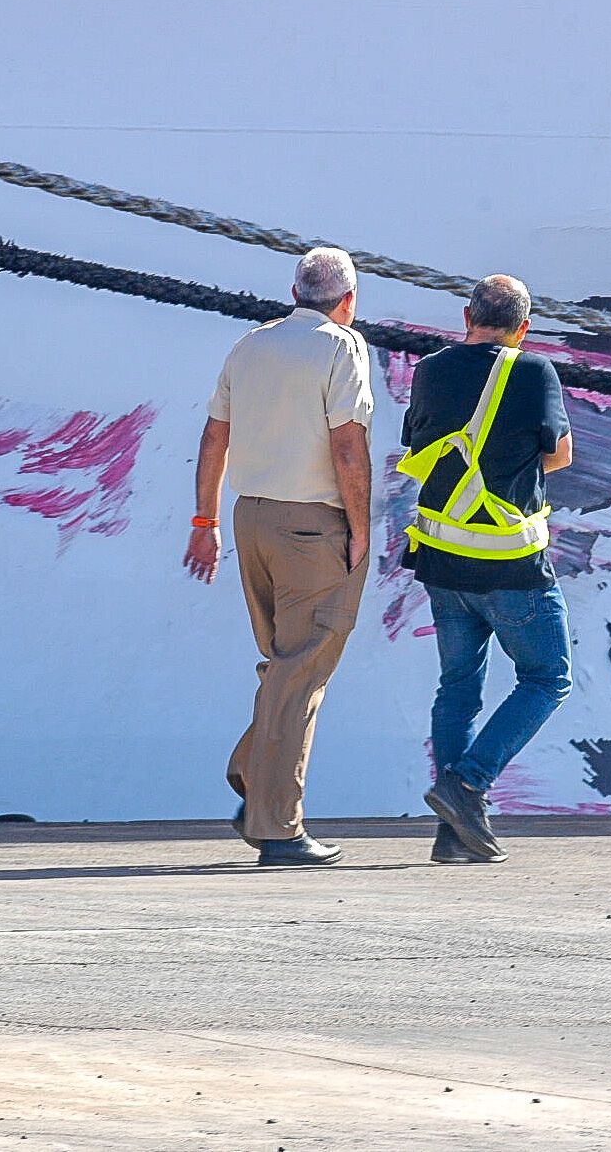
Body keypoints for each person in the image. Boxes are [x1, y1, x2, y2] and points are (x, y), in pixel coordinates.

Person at [183, 247, 373, 866]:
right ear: (348, 299)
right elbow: (348, 446)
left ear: (294, 292)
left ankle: (254, 772)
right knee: (302, 670)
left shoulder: (250, 345)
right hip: (313, 526)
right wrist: (362, 527)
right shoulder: (342, 347)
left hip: (251, 519)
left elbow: (215, 434)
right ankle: (279, 827)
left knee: (284, 664)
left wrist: (204, 520)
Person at [400, 275, 573, 863]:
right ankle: (468, 783)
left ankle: (455, 837)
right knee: (548, 677)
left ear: (466, 314)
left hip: (443, 562)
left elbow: (419, 444)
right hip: (510, 565)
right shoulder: (532, 372)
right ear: (524, 328)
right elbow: (561, 454)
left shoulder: (430, 369)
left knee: (457, 689)